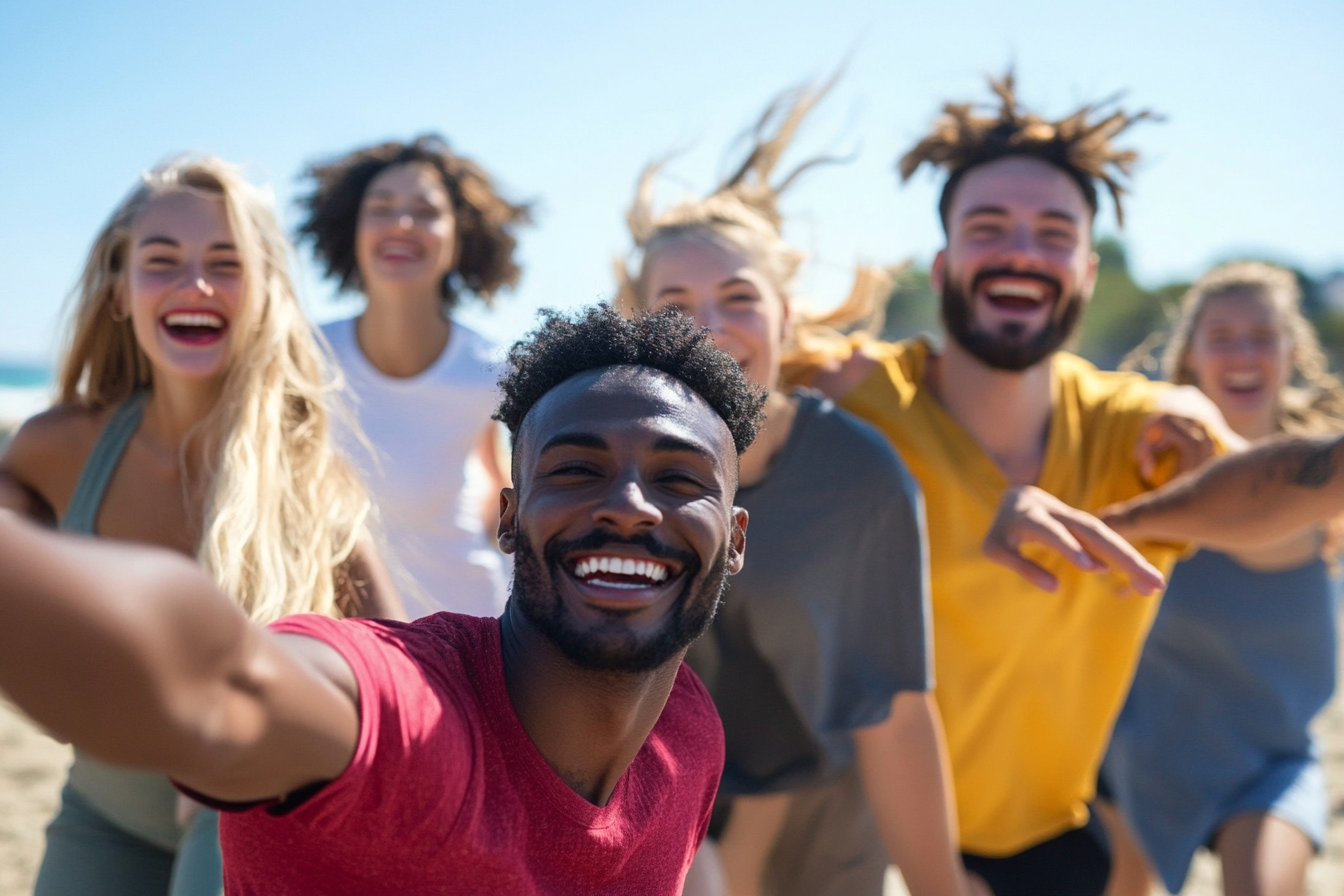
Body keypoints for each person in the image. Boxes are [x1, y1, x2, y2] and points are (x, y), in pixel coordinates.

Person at [0, 306, 766, 895]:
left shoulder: (687, 736)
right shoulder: (408, 714)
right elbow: (214, 681)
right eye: (574, 470)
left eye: (679, 479)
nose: (629, 505)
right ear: (507, 519)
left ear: (733, 539)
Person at [802, 73, 1232, 896]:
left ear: (1089, 271)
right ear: (942, 262)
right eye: (989, 226)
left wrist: (1211, 440)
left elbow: (1292, 511)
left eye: (1053, 233)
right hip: (853, 835)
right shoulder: (854, 396)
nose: (1021, 253)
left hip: (1050, 835)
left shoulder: (1139, 431)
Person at [0, 156, 405, 896]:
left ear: (264, 295)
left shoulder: (308, 479)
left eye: (228, 263)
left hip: (255, 817)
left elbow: (399, 672)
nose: (196, 285)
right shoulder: (58, 448)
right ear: (119, 292)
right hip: (101, 809)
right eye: (163, 262)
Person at [617, 82, 977, 896]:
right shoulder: (610, 463)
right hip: (657, 807)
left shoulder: (859, 477)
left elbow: (894, 709)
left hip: (823, 821)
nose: (712, 324)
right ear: (639, 323)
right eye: (676, 303)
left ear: (786, 317)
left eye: (740, 298)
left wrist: (940, 886)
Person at [1097, 262, 1344, 895]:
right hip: (1138, 757)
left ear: (1292, 351)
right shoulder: (1144, 462)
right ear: (1190, 357)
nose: (1242, 353)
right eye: (1222, 336)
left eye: (1262, 335)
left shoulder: (1316, 476)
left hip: (1270, 755)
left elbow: (1274, 536)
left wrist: (1220, 474)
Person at [297, 134, 530, 617]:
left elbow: (499, 489)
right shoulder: (301, 357)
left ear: (459, 236)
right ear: (352, 229)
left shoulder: (492, 368)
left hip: (471, 629)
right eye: (380, 209)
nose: (402, 224)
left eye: (425, 211)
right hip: (338, 640)